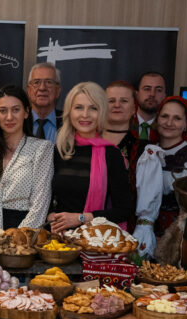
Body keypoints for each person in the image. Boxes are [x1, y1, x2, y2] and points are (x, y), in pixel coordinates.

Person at [48, 82, 134, 233]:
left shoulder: (111, 154)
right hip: (57, 243)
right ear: (69, 112)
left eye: (93, 108)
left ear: (101, 112)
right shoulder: (59, 151)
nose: (85, 114)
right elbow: (46, 199)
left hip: (95, 244)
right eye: (79, 107)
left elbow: (124, 210)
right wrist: (50, 216)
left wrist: (81, 218)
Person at [132, 97, 187, 257]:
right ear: (157, 119)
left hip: (177, 238)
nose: (169, 122)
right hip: (142, 231)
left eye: (177, 118)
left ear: (186, 124)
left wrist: (172, 237)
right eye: (165, 116)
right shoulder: (146, 152)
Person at [0, 85, 53, 229]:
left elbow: (40, 205)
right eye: (3, 111)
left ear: (26, 112)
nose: (9, 117)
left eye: (16, 110)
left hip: (22, 235)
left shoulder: (41, 149)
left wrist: (17, 241)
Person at [26, 63, 62, 141]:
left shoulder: (69, 123)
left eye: (49, 82)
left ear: (57, 91)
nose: (42, 88)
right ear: (29, 90)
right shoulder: (18, 121)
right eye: (36, 82)